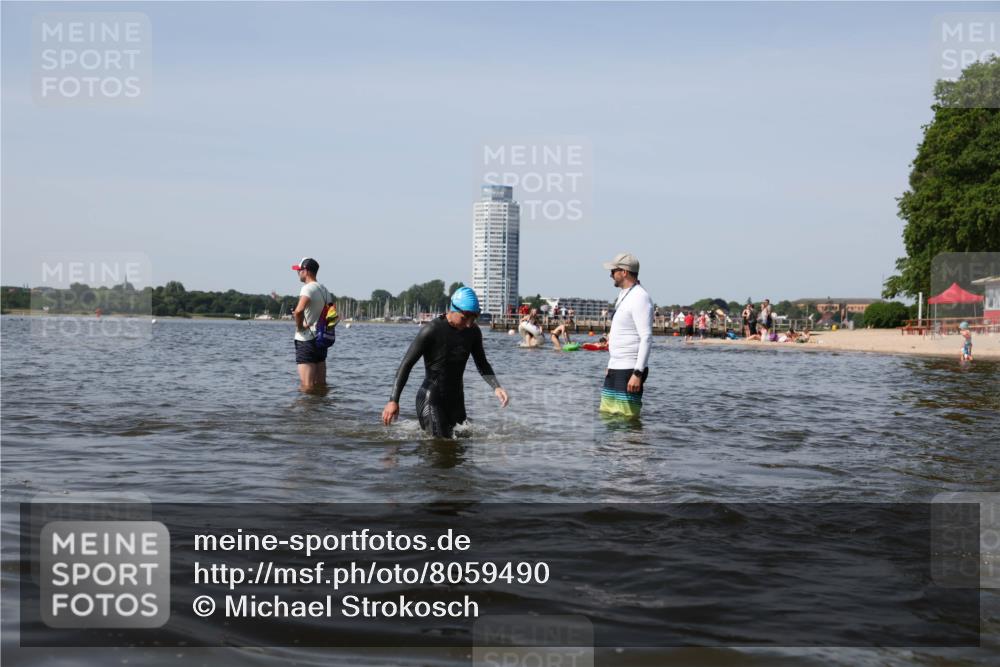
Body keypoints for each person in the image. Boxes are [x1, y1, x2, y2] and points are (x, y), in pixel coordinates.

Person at [382, 287, 509, 438]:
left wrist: (496, 386)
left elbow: (482, 363)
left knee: (462, 448)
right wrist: (393, 401)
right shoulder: (432, 330)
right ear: (453, 310)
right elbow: (406, 365)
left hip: (456, 401)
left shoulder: (473, 332)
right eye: (465, 318)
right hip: (431, 398)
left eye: (473, 318)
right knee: (440, 446)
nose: (469, 323)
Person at [599, 253, 653, 418]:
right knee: (607, 417)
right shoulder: (624, 295)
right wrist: (611, 363)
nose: (610, 275)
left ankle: (632, 445)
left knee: (626, 421)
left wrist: (637, 373)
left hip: (630, 370)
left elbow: (646, 337)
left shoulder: (640, 297)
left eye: (613, 270)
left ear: (624, 272)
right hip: (615, 367)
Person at [291, 257, 332, 391]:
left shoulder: (307, 288)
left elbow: (298, 311)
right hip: (321, 340)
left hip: (306, 340)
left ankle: (306, 412)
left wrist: (300, 327)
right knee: (320, 385)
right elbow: (332, 315)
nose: (298, 273)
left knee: (306, 386)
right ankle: (320, 410)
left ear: (306, 271)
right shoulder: (325, 290)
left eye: (299, 270)